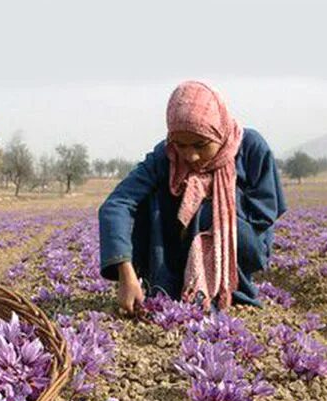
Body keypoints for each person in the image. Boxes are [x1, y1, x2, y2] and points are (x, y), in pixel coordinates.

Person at [98, 81, 287, 314]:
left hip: (241, 244)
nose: (191, 156)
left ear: (219, 132)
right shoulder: (165, 154)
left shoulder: (250, 147)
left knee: (203, 204)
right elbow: (117, 204)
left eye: (201, 144)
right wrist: (125, 272)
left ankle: (222, 290)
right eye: (181, 145)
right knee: (152, 197)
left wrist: (208, 199)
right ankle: (164, 284)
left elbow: (264, 212)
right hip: (179, 247)